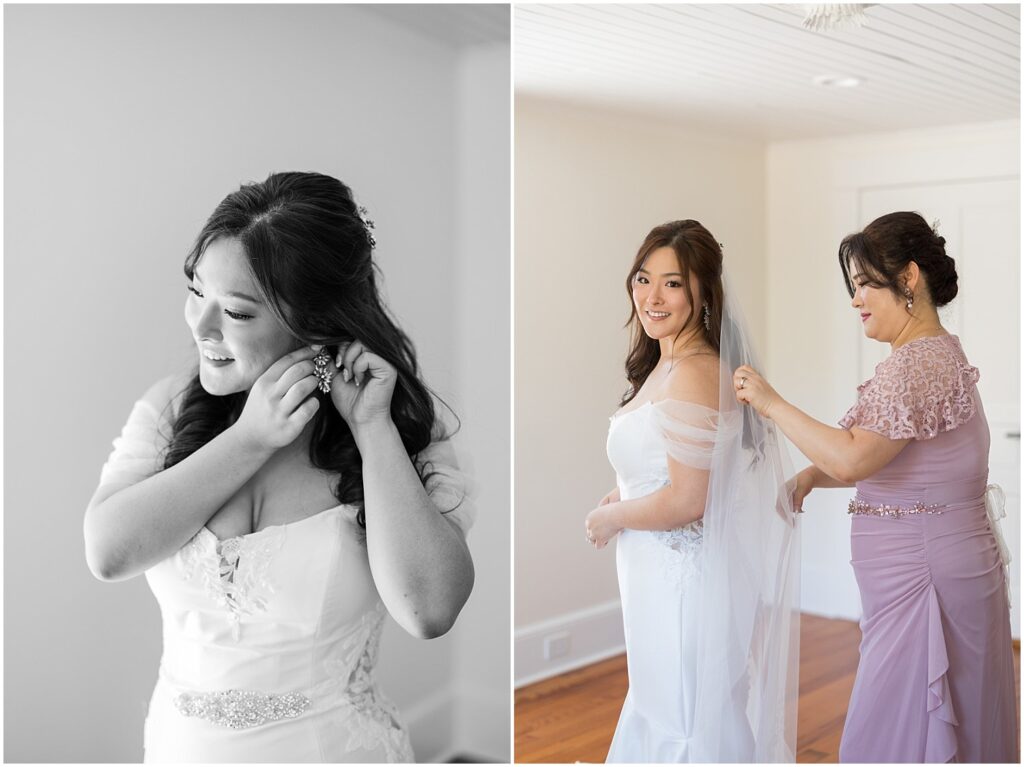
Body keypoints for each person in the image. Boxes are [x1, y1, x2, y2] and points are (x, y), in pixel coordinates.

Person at [83, 171, 475, 762]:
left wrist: (372, 429)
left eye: (237, 313)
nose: (201, 325)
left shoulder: (399, 429)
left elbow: (430, 611)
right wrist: (250, 439)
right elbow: (108, 554)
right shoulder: (168, 409)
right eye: (197, 292)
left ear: (316, 323)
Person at [734, 211, 1016, 762]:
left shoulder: (914, 365)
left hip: (925, 579)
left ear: (908, 278)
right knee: (937, 722)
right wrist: (811, 476)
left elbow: (854, 458)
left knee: (892, 730)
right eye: (853, 286)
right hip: (939, 568)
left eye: (865, 284)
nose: (855, 300)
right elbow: (888, 452)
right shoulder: (937, 354)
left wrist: (770, 403)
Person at [585, 220, 800, 763]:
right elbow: (664, 468)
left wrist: (612, 519)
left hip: (684, 588)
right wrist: (622, 495)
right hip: (656, 578)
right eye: (644, 279)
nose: (652, 297)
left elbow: (688, 500)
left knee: (683, 720)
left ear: (704, 292)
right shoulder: (667, 364)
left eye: (673, 283)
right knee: (665, 707)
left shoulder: (695, 371)